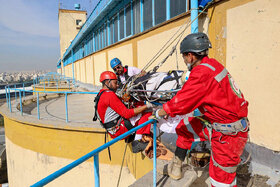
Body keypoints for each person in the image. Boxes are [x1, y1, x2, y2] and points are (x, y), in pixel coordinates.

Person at [151, 32, 249, 186]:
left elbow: (180, 103)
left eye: (184, 56)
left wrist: (158, 113)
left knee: (221, 181)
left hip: (227, 135)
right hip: (222, 124)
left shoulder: (201, 73)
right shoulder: (212, 65)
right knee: (184, 127)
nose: (184, 60)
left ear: (190, 56)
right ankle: (176, 167)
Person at [93, 71, 153, 153]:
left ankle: (139, 133)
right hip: (119, 130)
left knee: (138, 105)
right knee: (147, 113)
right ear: (107, 82)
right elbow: (127, 114)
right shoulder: (109, 95)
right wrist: (148, 106)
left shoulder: (101, 93)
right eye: (115, 83)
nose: (118, 85)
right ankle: (137, 142)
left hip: (112, 128)